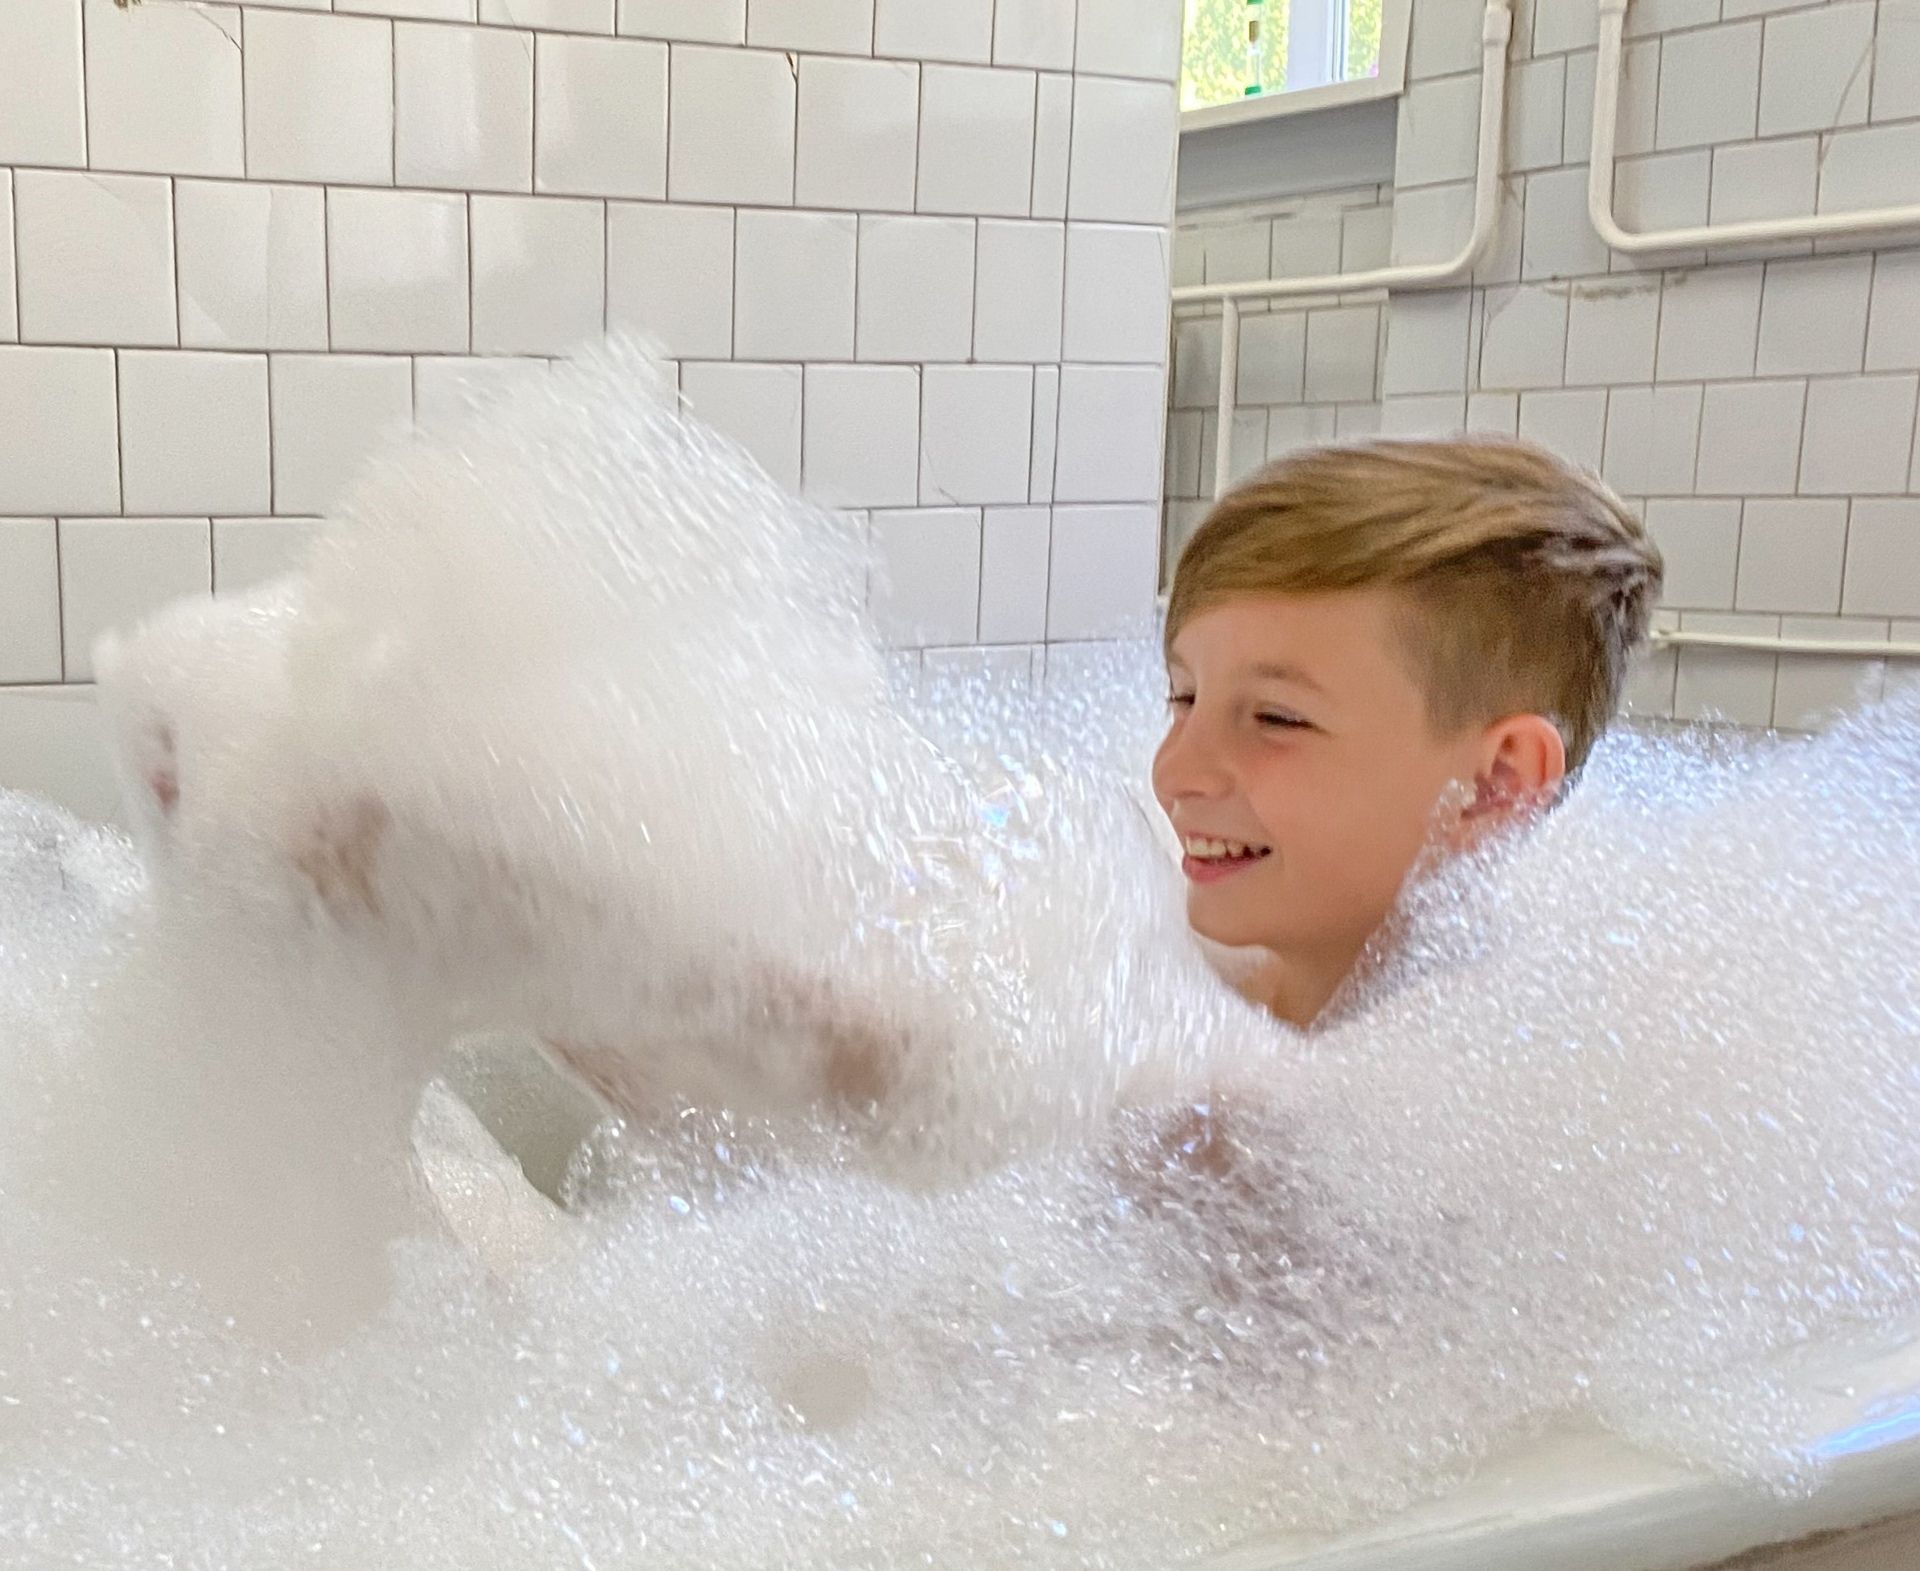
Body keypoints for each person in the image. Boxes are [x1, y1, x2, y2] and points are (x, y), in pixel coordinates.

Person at [1156, 436, 1664, 1028]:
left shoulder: (1501, 1070)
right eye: (1185, 697)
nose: (1174, 773)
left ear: (1495, 784)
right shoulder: (1178, 1013)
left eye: (1277, 718)